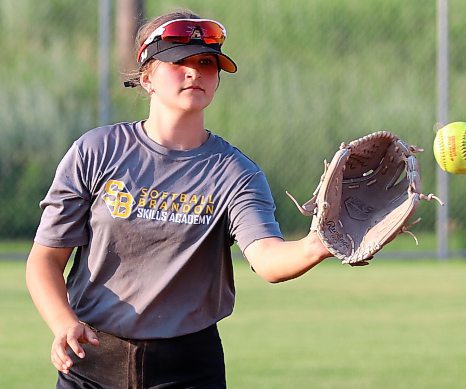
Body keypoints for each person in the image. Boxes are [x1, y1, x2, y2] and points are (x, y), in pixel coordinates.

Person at [26, 8, 332, 388]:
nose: (194, 72)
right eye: (178, 61)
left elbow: (267, 259)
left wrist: (317, 245)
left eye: (206, 63)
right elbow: (45, 261)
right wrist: (63, 323)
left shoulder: (235, 172)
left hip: (187, 370)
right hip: (91, 363)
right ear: (147, 77)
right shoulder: (97, 151)